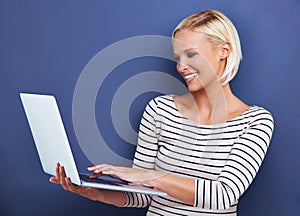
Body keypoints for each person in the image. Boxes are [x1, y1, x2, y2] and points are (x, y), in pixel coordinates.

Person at [50, 10, 274, 215]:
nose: (181, 66)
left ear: (224, 51)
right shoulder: (160, 110)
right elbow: (141, 196)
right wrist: (94, 192)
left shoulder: (254, 122)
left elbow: (222, 196)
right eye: (178, 57)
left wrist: (150, 175)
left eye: (191, 55)